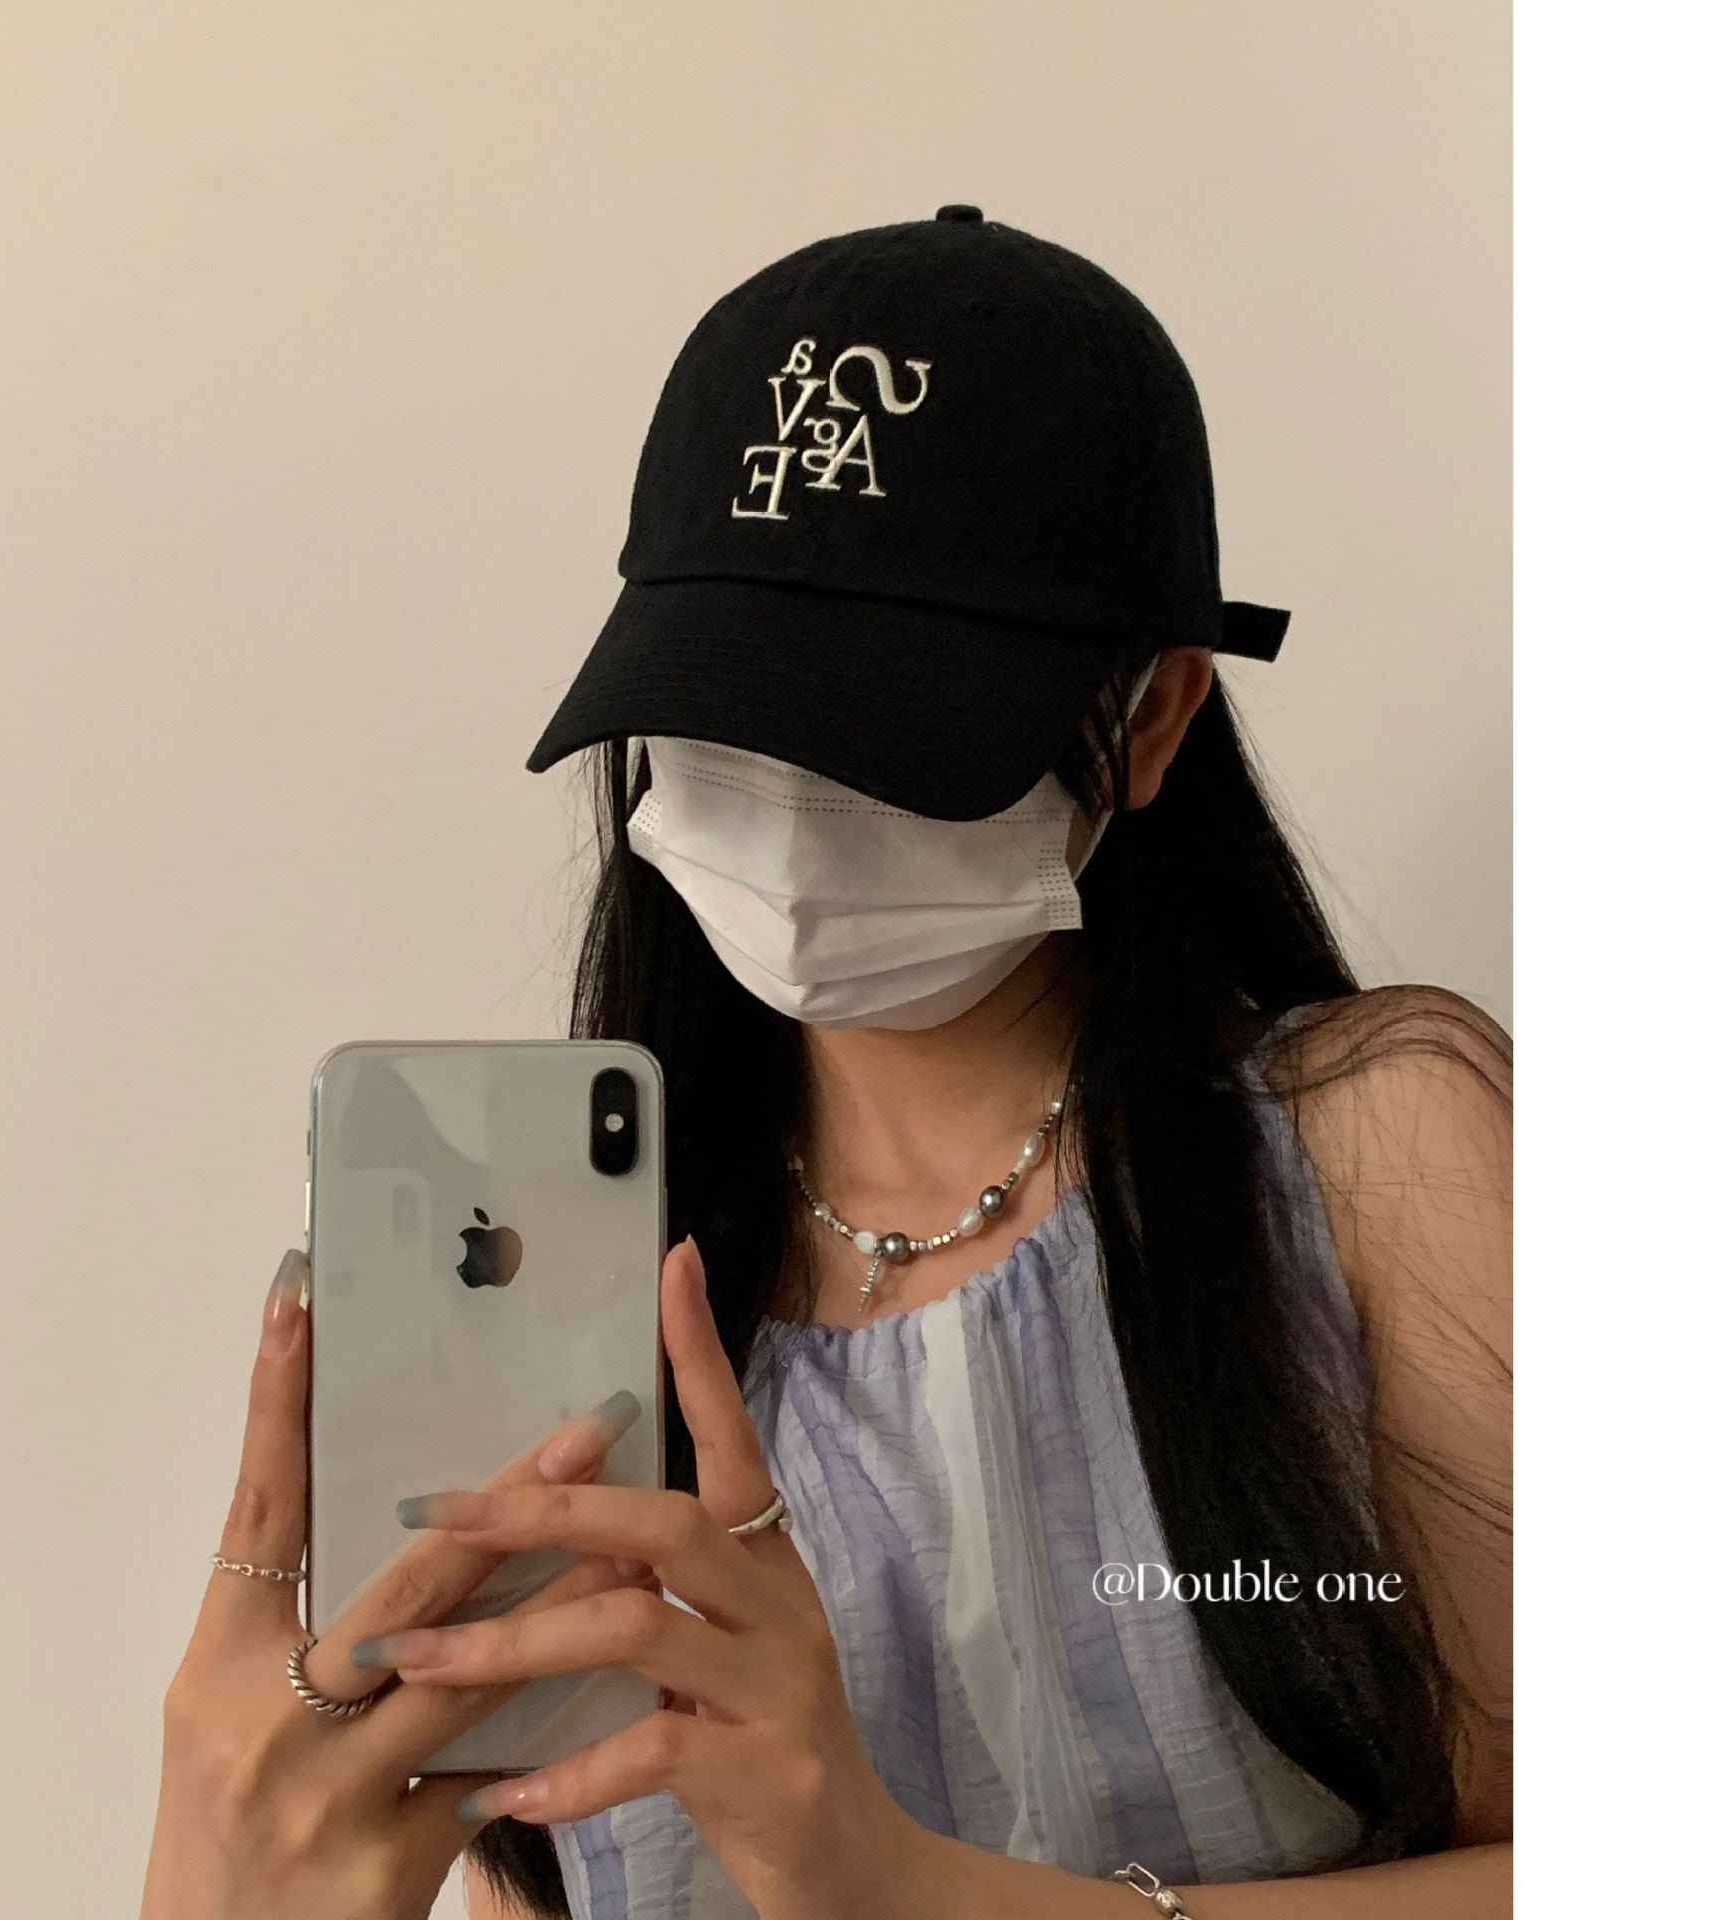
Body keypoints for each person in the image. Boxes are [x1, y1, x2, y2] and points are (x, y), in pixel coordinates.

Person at [141, 209, 1511, 1920]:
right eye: (730, 712)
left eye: (893, 730)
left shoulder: (1366, 1149)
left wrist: (899, 1890)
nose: (793, 812)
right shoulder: (591, 1309)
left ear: (1153, 716)